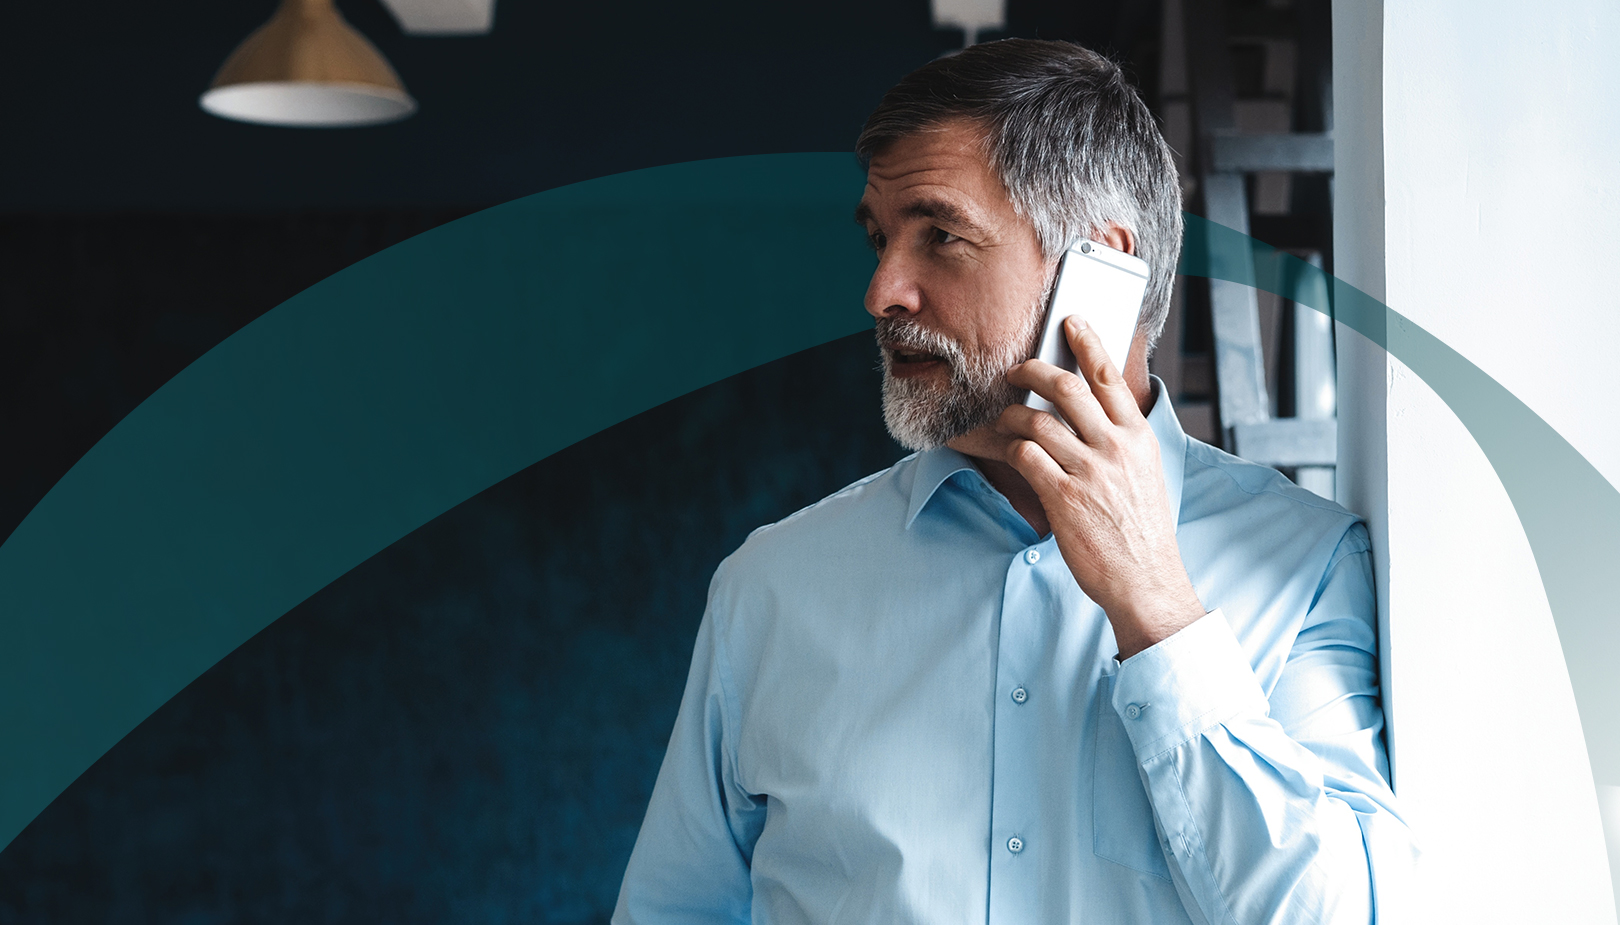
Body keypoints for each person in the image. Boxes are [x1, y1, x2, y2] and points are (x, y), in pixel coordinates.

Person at [613, 38, 1414, 924]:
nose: (882, 291)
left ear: (1100, 266)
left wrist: (1153, 604)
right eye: (880, 241)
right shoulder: (767, 588)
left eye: (940, 236)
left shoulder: (1308, 569)